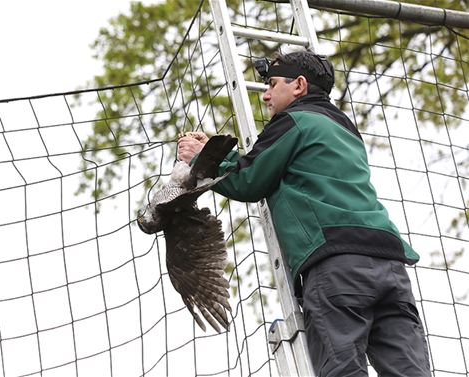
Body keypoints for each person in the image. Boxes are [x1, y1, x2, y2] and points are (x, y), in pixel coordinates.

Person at [177, 50, 431, 376]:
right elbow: (284, 167)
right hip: (390, 262)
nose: (266, 94)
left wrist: (203, 157)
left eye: (271, 84)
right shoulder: (345, 128)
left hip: (336, 263)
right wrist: (214, 148)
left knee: (340, 369)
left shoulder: (292, 121)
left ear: (298, 85)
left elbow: (248, 179)